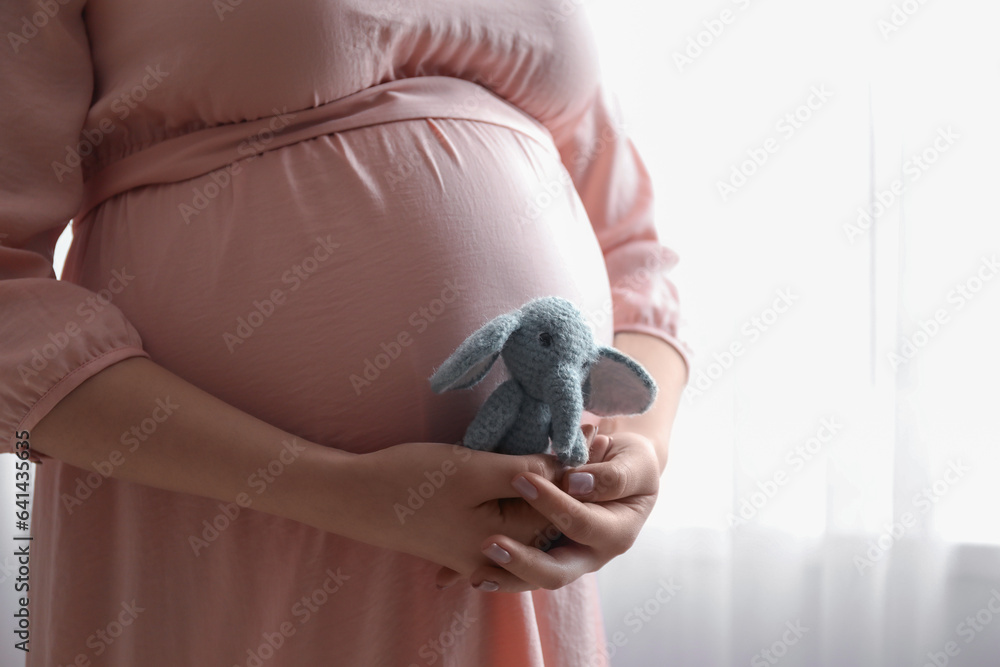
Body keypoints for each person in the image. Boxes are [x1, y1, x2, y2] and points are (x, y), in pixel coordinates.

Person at [0, 1, 689, 665]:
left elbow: (635, 252)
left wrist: (632, 460)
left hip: (519, 561)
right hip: (225, 530)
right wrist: (334, 487)